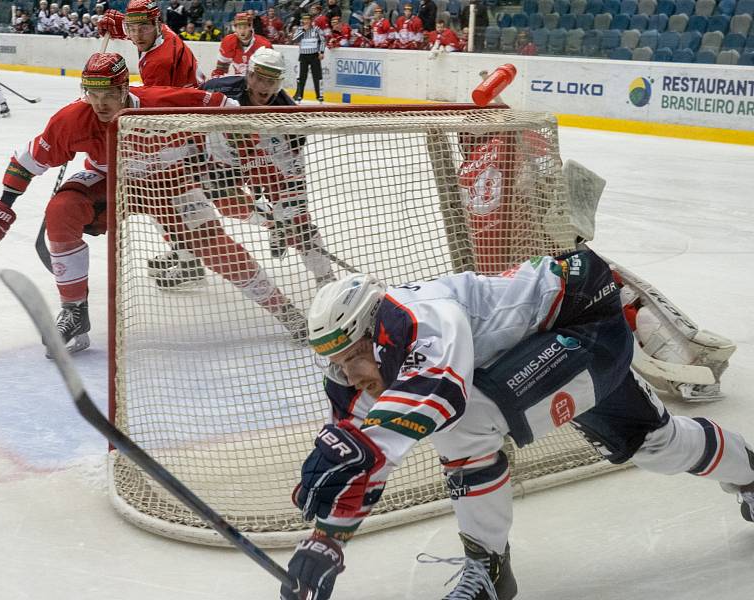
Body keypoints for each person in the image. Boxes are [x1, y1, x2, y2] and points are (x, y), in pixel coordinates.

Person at [281, 250, 754, 600]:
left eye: (355, 359)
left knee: (463, 424)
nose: (352, 377)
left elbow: (436, 398)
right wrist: (327, 540)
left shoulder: (423, 318)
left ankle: (488, 571)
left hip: (584, 324)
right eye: (339, 367)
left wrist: (360, 452)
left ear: (374, 331)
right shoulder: (359, 373)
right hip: (536, 350)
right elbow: (360, 456)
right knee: (655, 443)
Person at [0, 52, 307, 355]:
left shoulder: (163, 101)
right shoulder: (75, 118)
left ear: (124, 89)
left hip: (171, 185)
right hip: (114, 183)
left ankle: (284, 310)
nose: (101, 104)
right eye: (93, 94)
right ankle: (75, 312)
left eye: (109, 95)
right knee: (62, 210)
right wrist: (2, 207)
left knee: (214, 247)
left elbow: (228, 109)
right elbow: (26, 162)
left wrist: (238, 155)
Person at [198, 47, 335, 289]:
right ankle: (271, 223)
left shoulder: (289, 118)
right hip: (226, 159)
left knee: (299, 224)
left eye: (271, 81)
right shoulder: (219, 89)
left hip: (272, 163)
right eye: (259, 78)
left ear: (280, 83)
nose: (264, 86)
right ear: (248, 75)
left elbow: (293, 168)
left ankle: (326, 279)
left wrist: (291, 212)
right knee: (226, 204)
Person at [98, 0, 204, 87]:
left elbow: (151, 105)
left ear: (157, 26)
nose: (138, 36)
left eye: (143, 28)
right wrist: (122, 25)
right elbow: (142, 27)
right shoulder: (163, 31)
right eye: (132, 29)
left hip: (186, 106)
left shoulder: (157, 64)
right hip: (193, 92)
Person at [211, 12, 272, 77]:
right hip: (239, 82)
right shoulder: (229, 41)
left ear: (250, 27)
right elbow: (221, 69)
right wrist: (216, 79)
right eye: (239, 28)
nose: (242, 31)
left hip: (257, 83)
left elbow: (269, 74)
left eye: (245, 27)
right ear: (235, 28)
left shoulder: (264, 45)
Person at [291, 13, 325, 103]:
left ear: (311, 20)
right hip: (303, 56)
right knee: (301, 77)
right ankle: (299, 95)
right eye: (304, 20)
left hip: (314, 55)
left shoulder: (317, 29)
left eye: (307, 20)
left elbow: (322, 41)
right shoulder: (299, 29)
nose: (306, 21)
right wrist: (303, 31)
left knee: (317, 76)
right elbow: (294, 40)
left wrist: (321, 52)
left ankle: (319, 95)